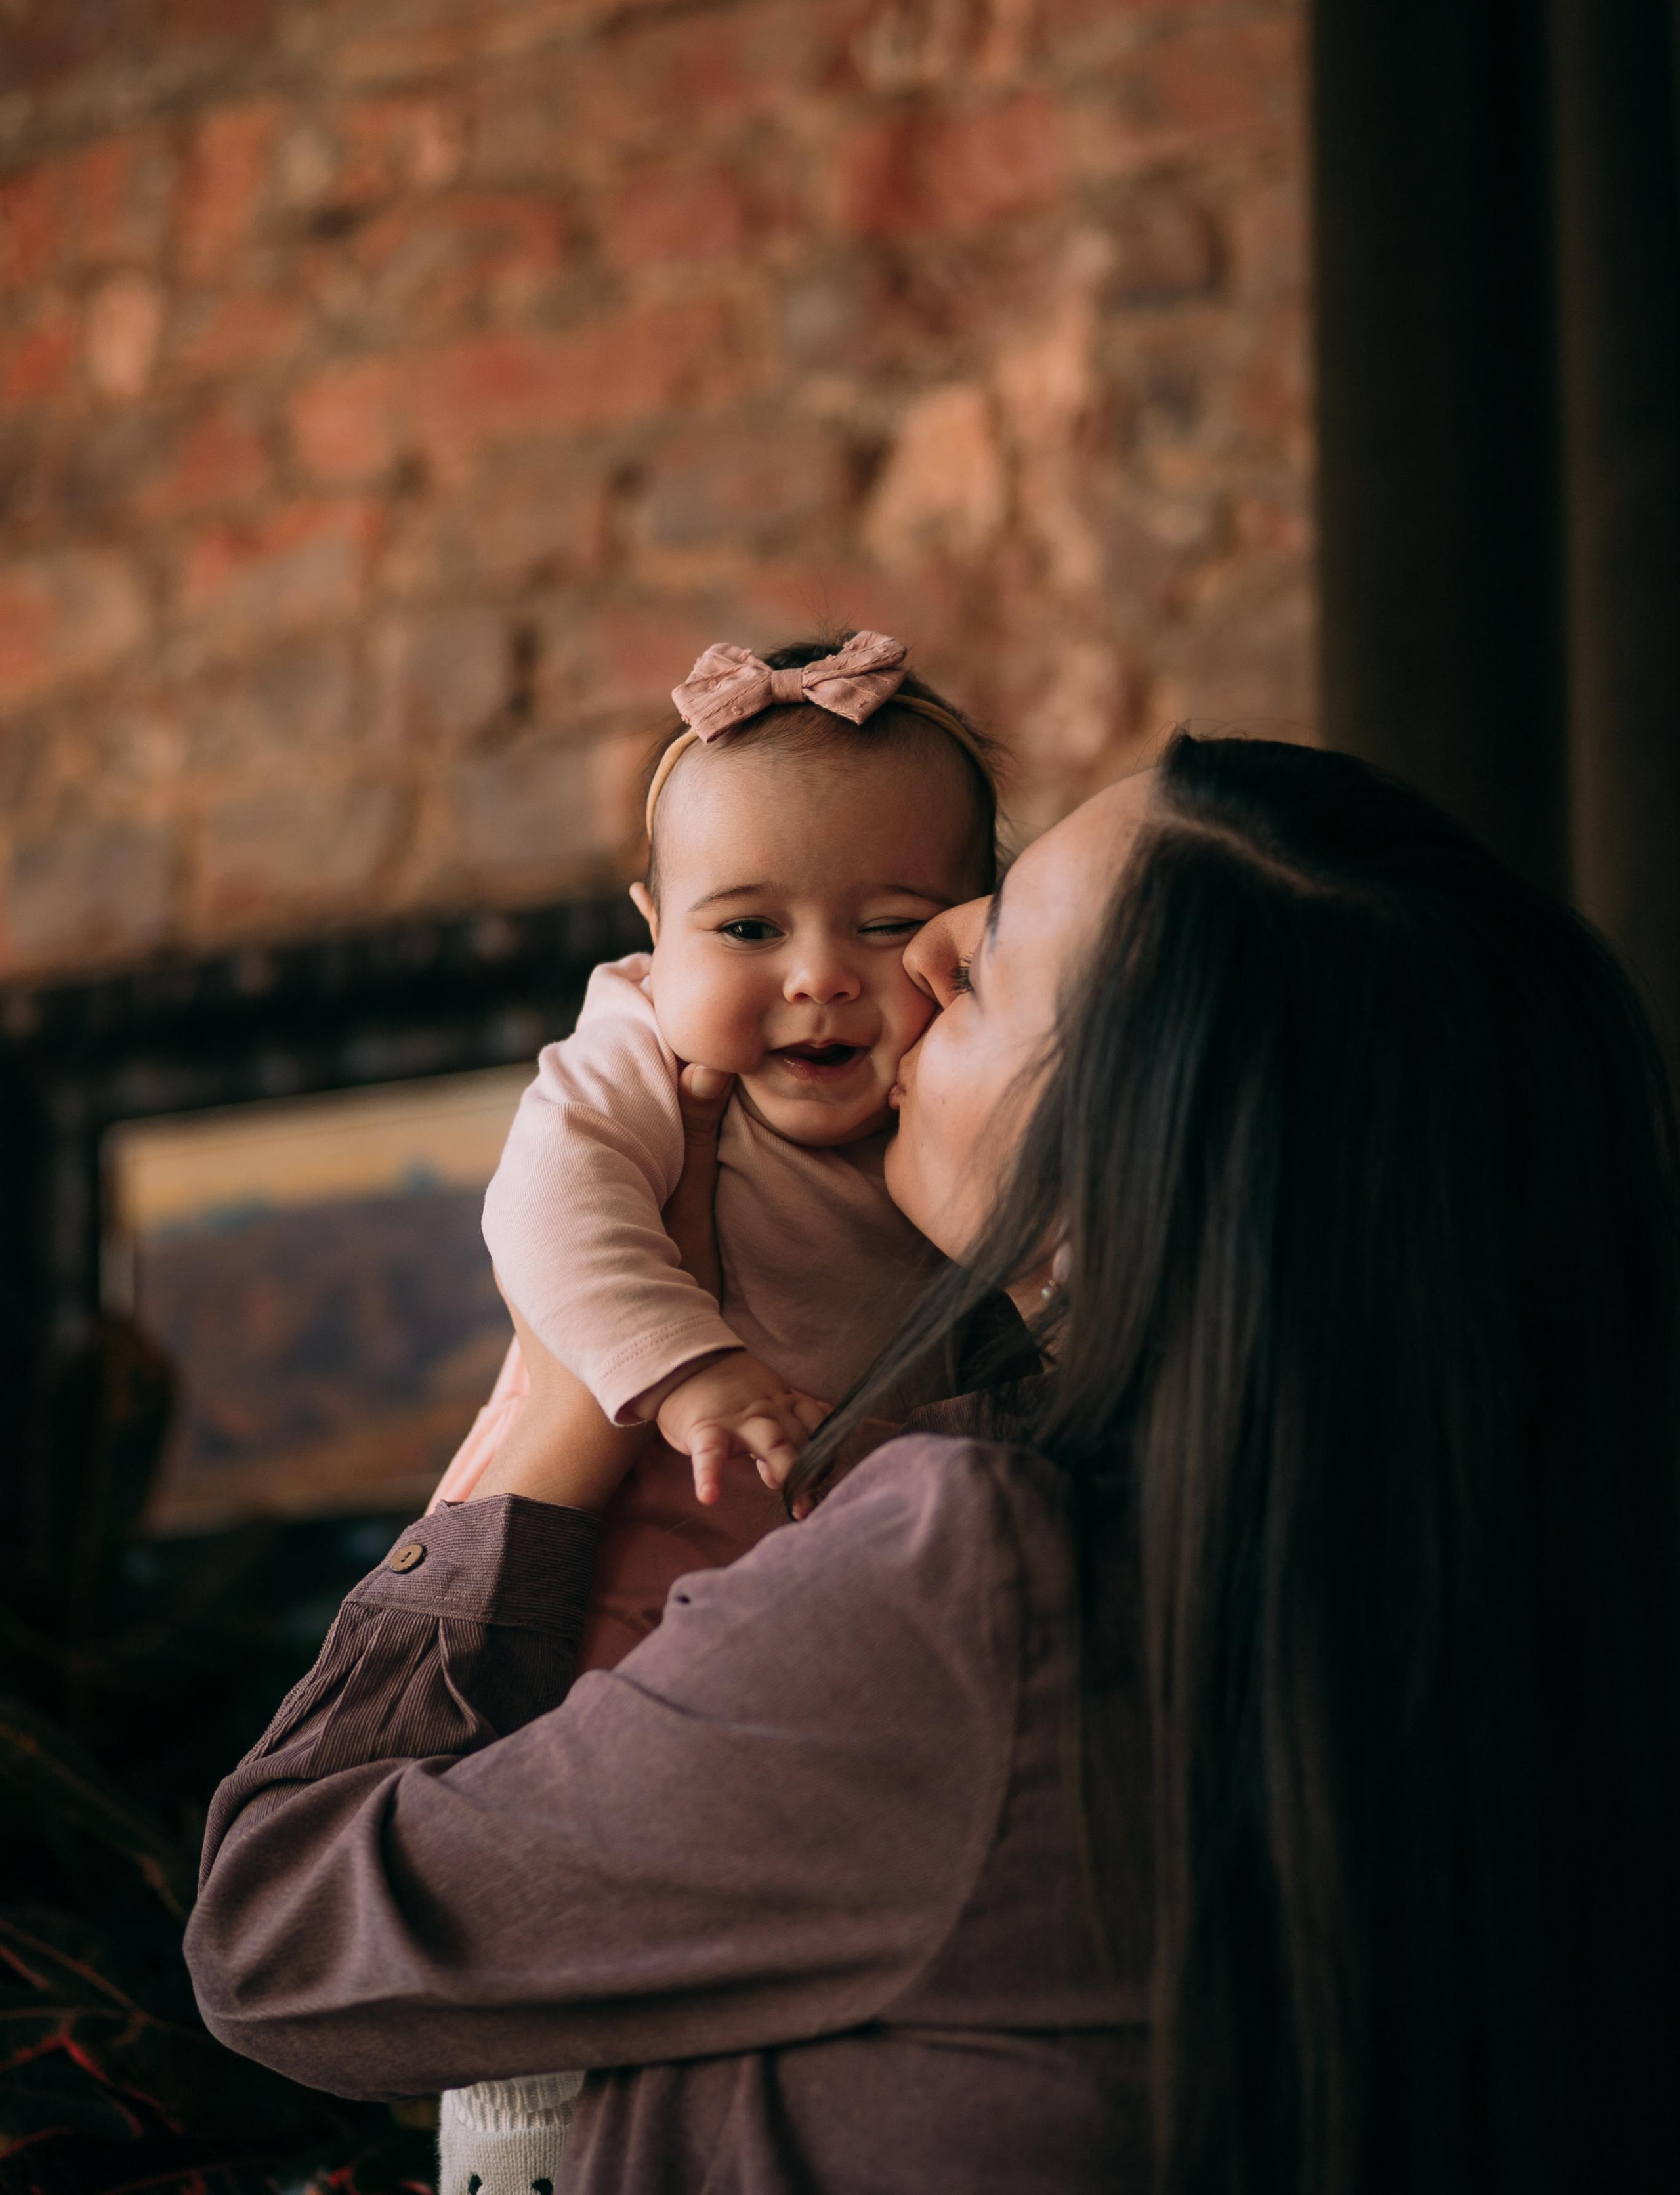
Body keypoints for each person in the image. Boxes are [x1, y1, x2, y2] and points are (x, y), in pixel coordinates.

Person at [186, 733, 1680, 2195]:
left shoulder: (980, 1592)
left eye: (988, 951)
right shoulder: (1522, 1591)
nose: (919, 956)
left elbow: (282, 1939)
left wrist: (568, 1393)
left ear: (1127, 1169)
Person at [425, 628, 1001, 2184]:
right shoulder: (633, 1046)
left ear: (971, 941)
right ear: (650, 935)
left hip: (837, 1564)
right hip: (631, 1513)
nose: (817, 975)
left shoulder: (989, 1084)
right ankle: (513, 2140)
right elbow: (545, 1216)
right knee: (557, 1841)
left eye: (886, 926)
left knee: (756, 1877)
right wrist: (683, 1362)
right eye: (745, 925)